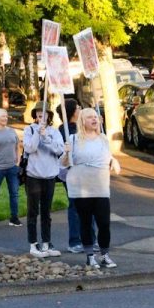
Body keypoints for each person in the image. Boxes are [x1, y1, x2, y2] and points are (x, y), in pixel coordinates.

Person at [62, 107, 121, 269]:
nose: (94, 120)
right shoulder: (74, 139)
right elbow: (63, 163)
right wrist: (66, 153)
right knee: (86, 222)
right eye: (90, 117)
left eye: (95, 117)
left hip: (100, 185)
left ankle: (105, 254)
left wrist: (113, 161)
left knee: (104, 222)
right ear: (82, 120)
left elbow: (106, 155)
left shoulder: (103, 138)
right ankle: (90, 256)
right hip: (81, 185)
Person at [22, 105, 65, 257]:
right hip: (34, 175)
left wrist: (46, 136)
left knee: (46, 212)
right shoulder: (30, 130)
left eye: (45, 115)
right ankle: (33, 244)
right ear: (35, 116)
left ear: (49, 116)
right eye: (39, 115)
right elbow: (29, 148)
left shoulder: (54, 131)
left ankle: (46, 242)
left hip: (50, 176)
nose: (42, 118)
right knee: (33, 211)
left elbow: (59, 150)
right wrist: (37, 134)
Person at [60, 101, 96, 254]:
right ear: (72, 112)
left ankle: (91, 240)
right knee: (75, 206)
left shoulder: (85, 128)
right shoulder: (65, 130)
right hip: (73, 173)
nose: (80, 110)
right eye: (78, 108)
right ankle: (75, 241)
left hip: (89, 171)